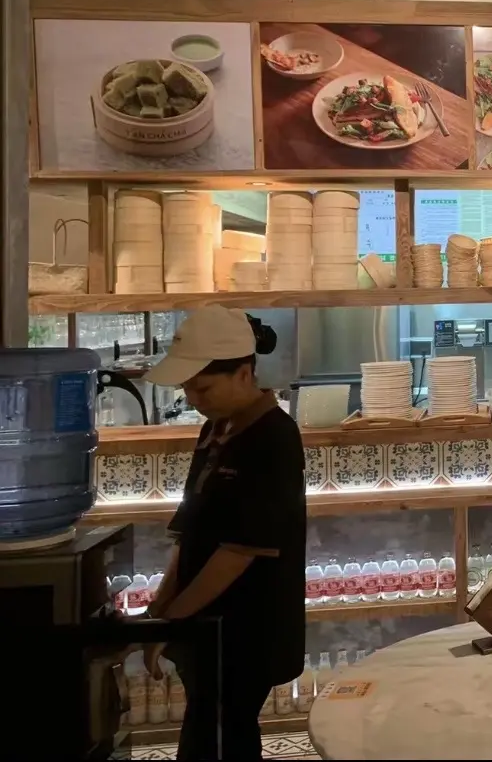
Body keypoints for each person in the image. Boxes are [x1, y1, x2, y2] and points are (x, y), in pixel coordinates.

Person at [141, 306, 305, 761]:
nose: (194, 398)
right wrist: (159, 613)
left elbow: (239, 550)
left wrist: (174, 621)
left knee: (223, 735)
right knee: (207, 735)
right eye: (187, 388)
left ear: (244, 374)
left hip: (245, 632)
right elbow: (190, 531)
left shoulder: (274, 437)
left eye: (204, 387)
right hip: (204, 628)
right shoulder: (214, 430)